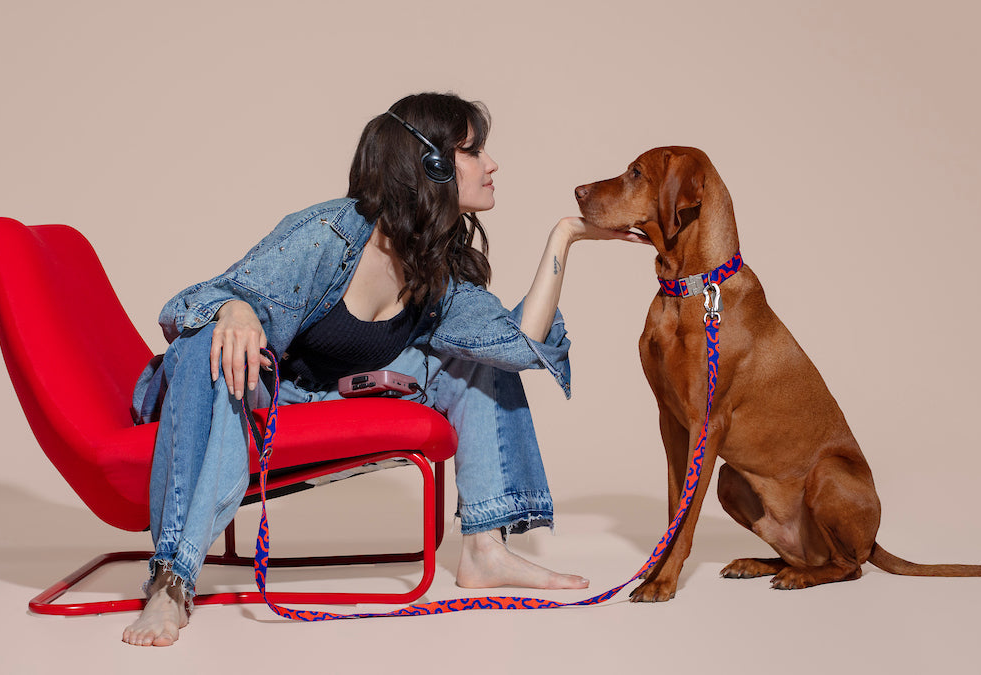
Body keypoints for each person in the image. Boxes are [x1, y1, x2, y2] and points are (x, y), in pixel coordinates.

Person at [121, 92, 645, 646]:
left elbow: (518, 346)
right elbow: (195, 302)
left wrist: (565, 235)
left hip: (337, 397)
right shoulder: (328, 235)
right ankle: (170, 581)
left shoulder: (436, 266)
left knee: (474, 357)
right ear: (433, 165)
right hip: (253, 396)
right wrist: (237, 307)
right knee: (210, 342)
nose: (492, 164)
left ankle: (486, 549)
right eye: (474, 151)